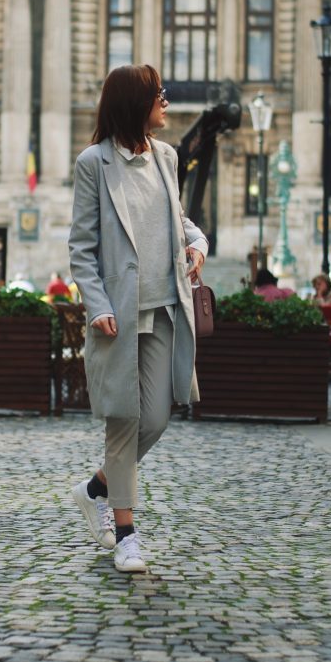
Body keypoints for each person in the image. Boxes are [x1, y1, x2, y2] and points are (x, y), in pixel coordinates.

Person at [68, 64, 208, 574]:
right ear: (135, 104)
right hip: (119, 315)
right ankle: (126, 534)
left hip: (166, 307)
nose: (166, 103)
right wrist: (98, 305)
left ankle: (95, 489)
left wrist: (197, 242)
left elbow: (176, 219)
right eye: (158, 96)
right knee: (124, 420)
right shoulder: (93, 164)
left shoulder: (166, 158)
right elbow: (82, 248)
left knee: (156, 417)